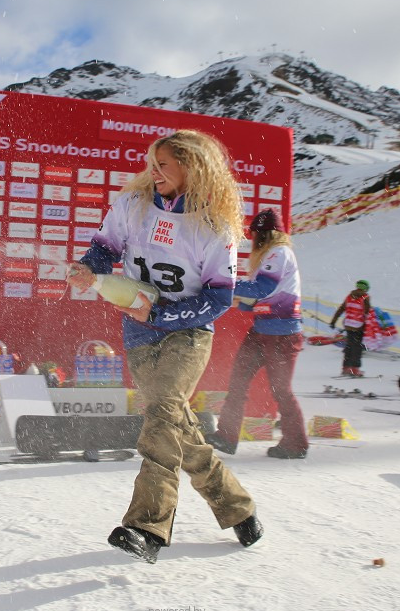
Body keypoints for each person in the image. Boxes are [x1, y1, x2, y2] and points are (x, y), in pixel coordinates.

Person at [66, 130, 260, 564]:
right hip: (139, 332)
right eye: (152, 163)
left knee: (161, 416)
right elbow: (103, 249)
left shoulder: (215, 227)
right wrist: (87, 269)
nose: (153, 173)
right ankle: (236, 506)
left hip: (188, 332)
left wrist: (159, 315)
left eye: (164, 165)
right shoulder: (133, 206)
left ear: (194, 168)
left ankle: (146, 527)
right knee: (176, 423)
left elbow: (218, 299)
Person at [206, 208, 308, 459]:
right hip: (263, 330)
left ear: (269, 234)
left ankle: (296, 444)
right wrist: (230, 299)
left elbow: (262, 288)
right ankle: (226, 436)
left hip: (282, 335)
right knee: (238, 381)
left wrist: (223, 284)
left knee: (281, 390)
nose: (255, 240)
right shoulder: (268, 256)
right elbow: (260, 298)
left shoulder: (279, 253)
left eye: (258, 235)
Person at [330, 280, 372, 377]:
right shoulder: (365, 297)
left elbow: (341, 309)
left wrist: (333, 321)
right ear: (365, 289)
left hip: (348, 326)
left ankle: (345, 368)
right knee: (357, 348)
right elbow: (367, 312)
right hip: (359, 327)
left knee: (349, 347)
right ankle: (355, 369)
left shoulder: (350, 296)